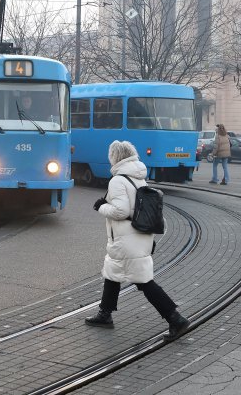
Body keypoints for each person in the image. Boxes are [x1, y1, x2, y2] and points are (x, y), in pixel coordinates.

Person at [84, 140, 190, 342]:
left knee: (143, 281)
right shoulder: (138, 178)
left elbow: (121, 211)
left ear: (114, 157)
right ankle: (104, 313)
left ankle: (176, 319)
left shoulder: (117, 180)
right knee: (113, 273)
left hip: (126, 239)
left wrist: (101, 207)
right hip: (139, 236)